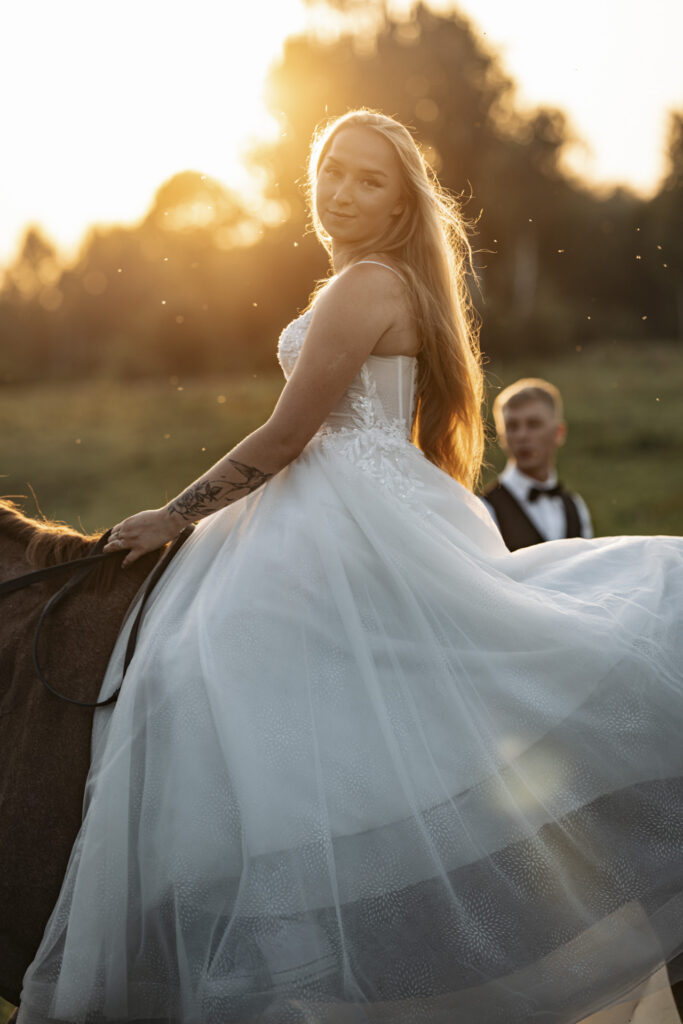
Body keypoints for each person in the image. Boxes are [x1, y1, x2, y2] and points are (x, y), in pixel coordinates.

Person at [17, 110, 683, 1024]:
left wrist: (172, 515)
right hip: (346, 507)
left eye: (370, 179)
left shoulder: (365, 283)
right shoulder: (379, 284)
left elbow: (290, 433)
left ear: (402, 201)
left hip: (332, 513)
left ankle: (280, 928)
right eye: (332, 170)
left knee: (201, 681)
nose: (342, 191)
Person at [481, 378, 593, 550]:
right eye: (512, 426)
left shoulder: (576, 507)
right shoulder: (486, 509)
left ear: (559, 433)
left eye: (533, 424)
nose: (522, 436)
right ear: (501, 436)